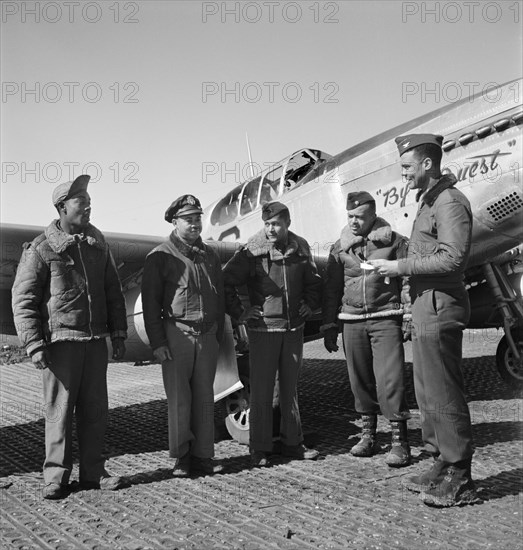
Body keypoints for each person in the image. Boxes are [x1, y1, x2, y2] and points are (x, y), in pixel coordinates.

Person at [369, 134, 479, 507]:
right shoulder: (429, 202)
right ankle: (439, 461)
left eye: (407, 167)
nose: (403, 175)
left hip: (439, 306)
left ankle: (460, 474)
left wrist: (398, 266)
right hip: (423, 306)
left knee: (445, 391)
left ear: (428, 164)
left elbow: (452, 259)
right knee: (428, 391)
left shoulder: (449, 202)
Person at [12, 175, 128, 500]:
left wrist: (118, 333)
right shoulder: (41, 248)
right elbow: (23, 299)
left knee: (94, 411)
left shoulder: (98, 244)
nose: (88, 206)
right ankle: (56, 477)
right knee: (58, 411)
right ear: (62, 207)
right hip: (60, 344)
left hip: (94, 343)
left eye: (89, 200)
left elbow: (113, 292)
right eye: (81, 201)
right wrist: (33, 344)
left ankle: (93, 473)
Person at [223, 201, 322, 467]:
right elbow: (226, 281)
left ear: (287, 223)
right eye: (267, 224)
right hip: (263, 330)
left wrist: (309, 304)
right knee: (263, 392)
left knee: (290, 391)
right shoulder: (252, 251)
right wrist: (241, 312)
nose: (270, 229)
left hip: (293, 330)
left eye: (276, 224)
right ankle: (259, 448)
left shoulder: (300, 248)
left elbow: (313, 282)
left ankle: (293, 443)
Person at [322, 191, 411, 467]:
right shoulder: (339, 248)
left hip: (386, 317)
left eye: (359, 217)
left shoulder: (395, 242)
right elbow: (331, 288)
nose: (354, 222)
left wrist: (407, 314)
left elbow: (407, 280)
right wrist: (328, 324)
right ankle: (368, 436)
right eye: (350, 216)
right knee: (359, 380)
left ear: (373, 215)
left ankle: (400, 442)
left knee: (390, 379)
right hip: (351, 321)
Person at [141, 194, 224, 477]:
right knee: (180, 399)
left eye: (198, 218)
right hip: (177, 335)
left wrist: (219, 336)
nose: (194, 224)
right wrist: (158, 343)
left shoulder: (210, 255)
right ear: (175, 222)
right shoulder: (160, 257)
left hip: (207, 336)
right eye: (188, 219)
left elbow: (219, 296)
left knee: (204, 398)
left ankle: (204, 456)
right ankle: (182, 457)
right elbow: (150, 304)